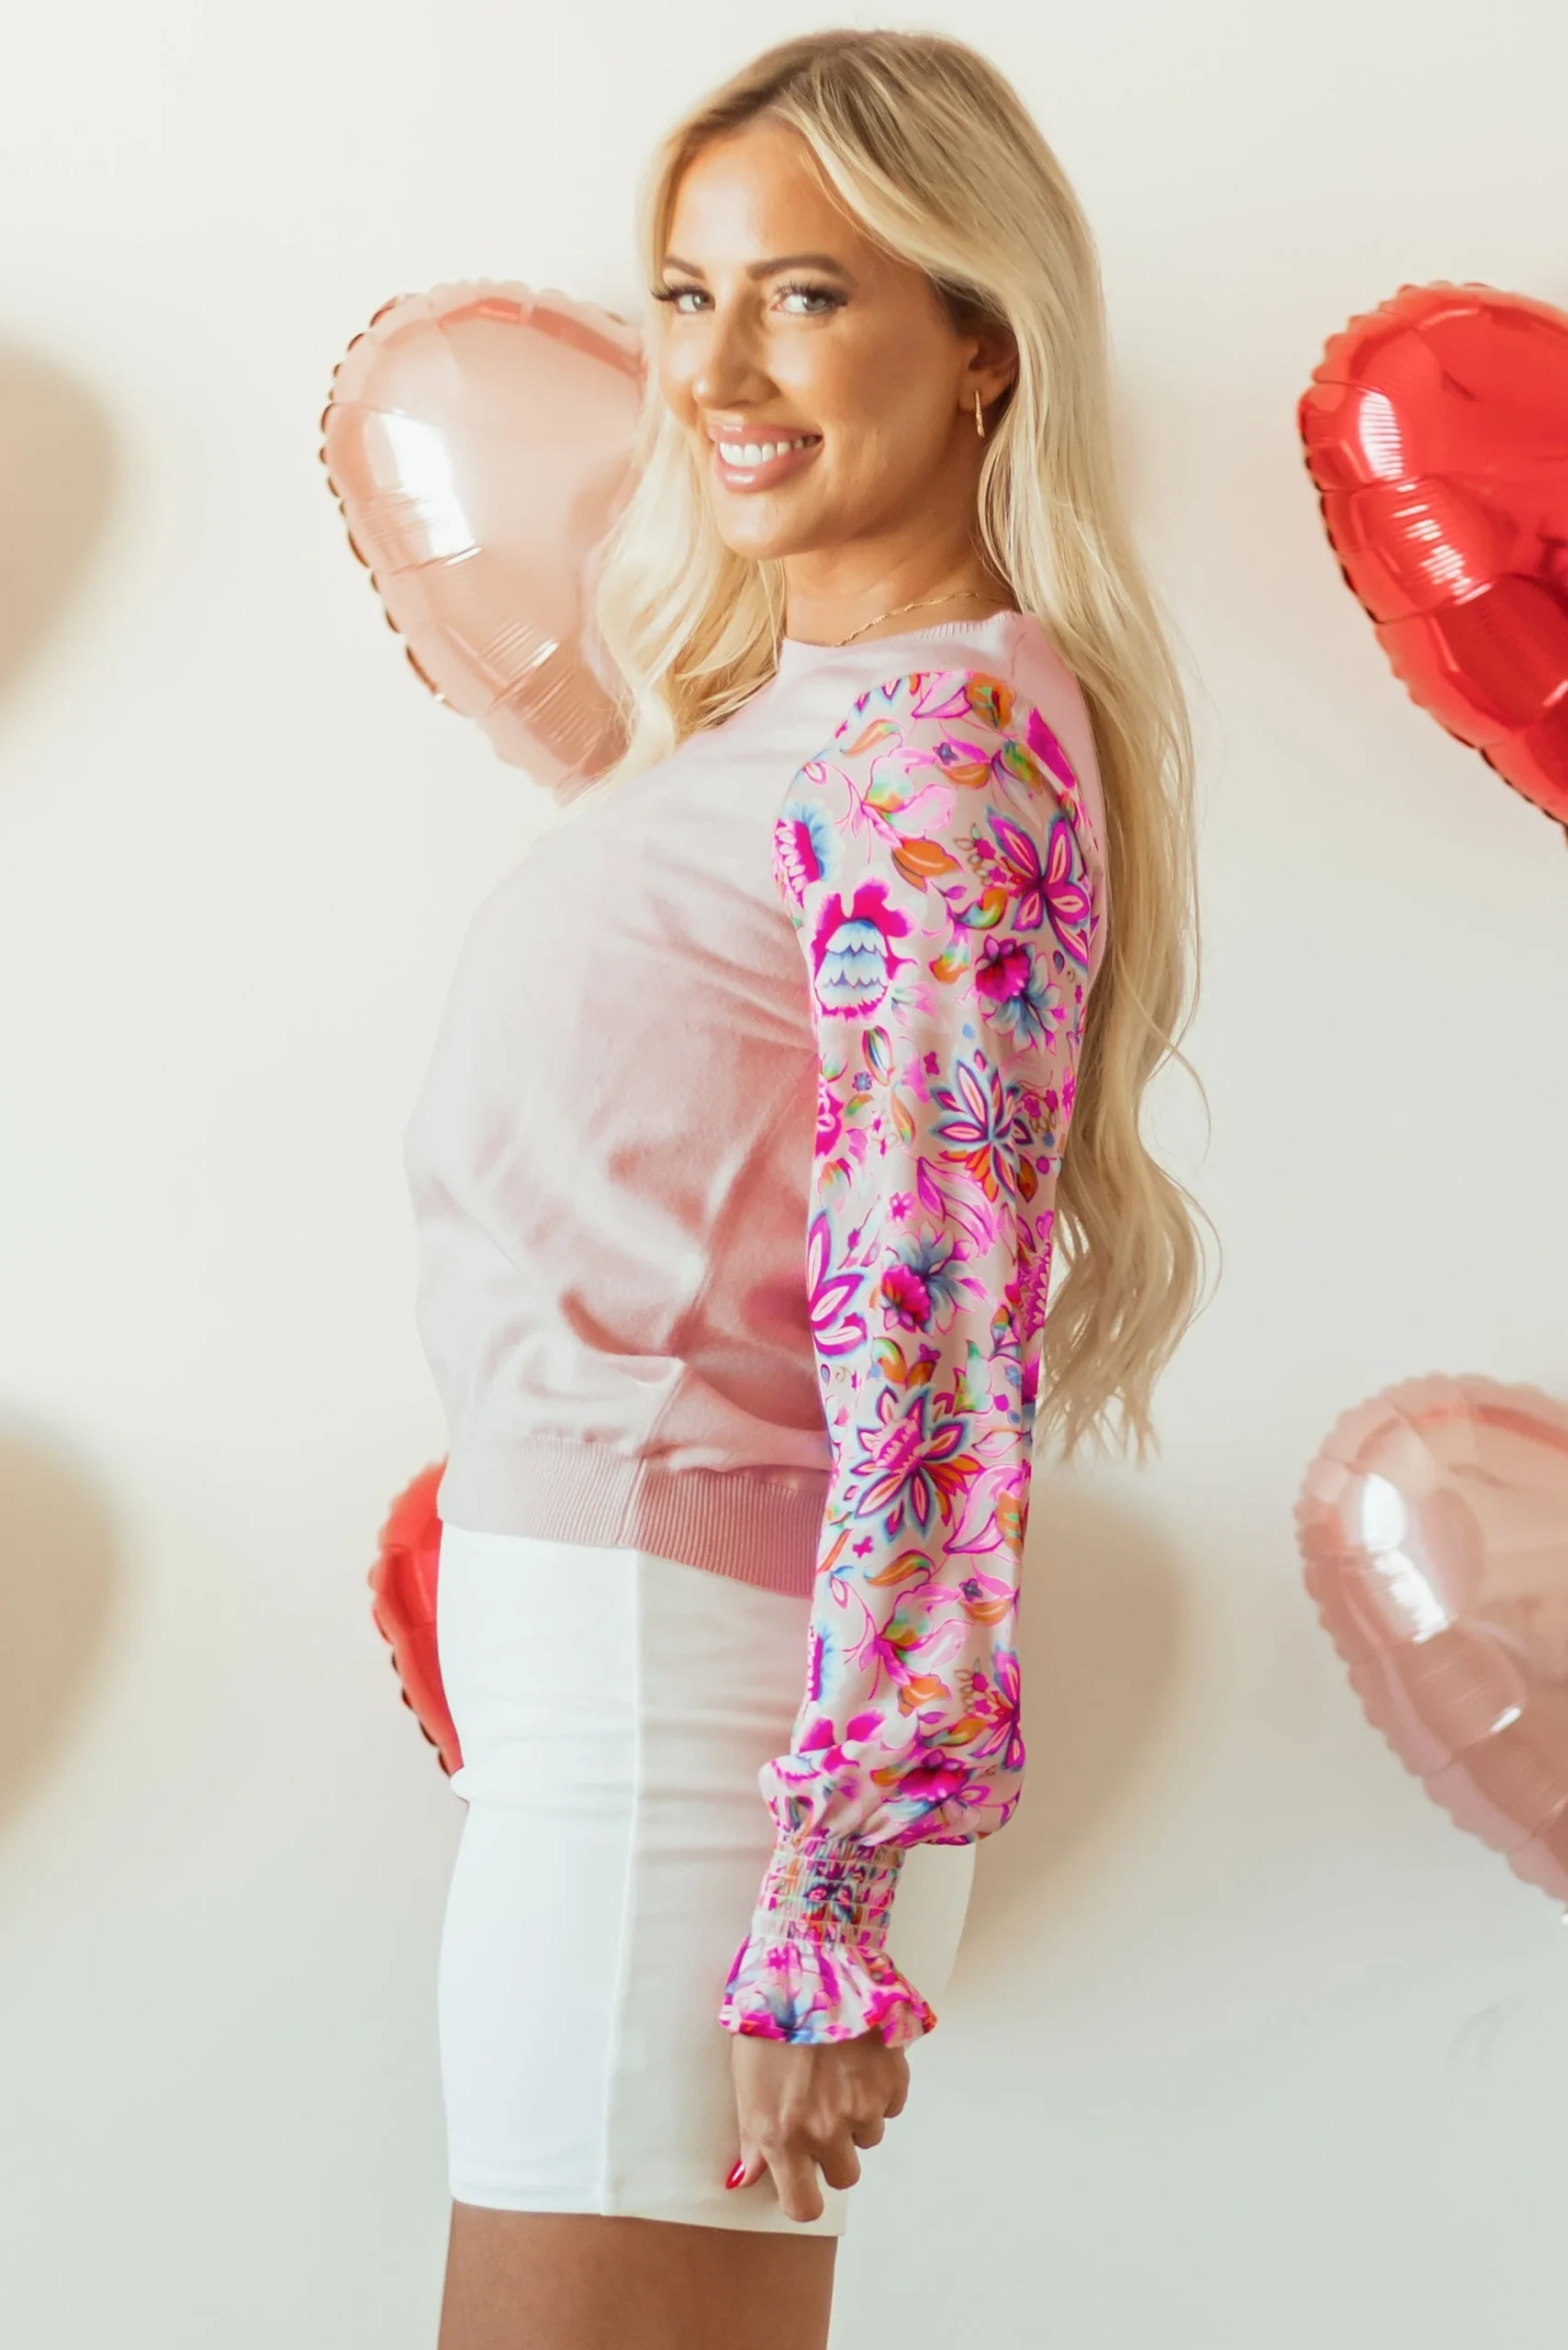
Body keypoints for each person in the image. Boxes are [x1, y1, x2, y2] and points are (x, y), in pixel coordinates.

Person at [402, 26, 1208, 2350]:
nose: (717, 369)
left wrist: (830, 1896)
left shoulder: (937, 746)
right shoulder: (820, 718)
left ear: (980, 343)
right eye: (685, 295)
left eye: (805, 295)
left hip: (686, 1724)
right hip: (629, 1692)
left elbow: (936, 1346)